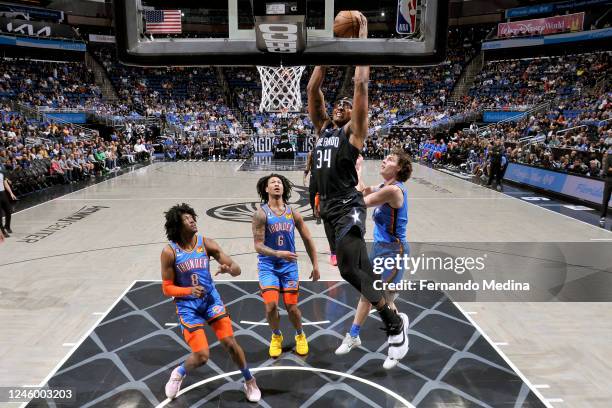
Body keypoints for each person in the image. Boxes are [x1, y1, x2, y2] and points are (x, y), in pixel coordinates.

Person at [306, 13, 409, 367]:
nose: (341, 105)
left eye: (346, 106)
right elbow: (312, 90)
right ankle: (393, 321)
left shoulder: (354, 135)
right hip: (328, 211)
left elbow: (361, 85)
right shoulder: (322, 129)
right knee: (355, 270)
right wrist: (327, 50)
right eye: (339, 104)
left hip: (348, 204)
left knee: (351, 267)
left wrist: (359, 45)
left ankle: (392, 323)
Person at [161, 203, 261, 402]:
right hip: (187, 306)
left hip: (210, 300)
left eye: (193, 217)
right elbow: (167, 288)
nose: (192, 220)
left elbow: (237, 269)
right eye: (187, 219)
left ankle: (250, 381)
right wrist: (189, 290)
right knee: (202, 356)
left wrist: (228, 269)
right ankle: (179, 372)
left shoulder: (206, 243)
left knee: (230, 343)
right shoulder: (169, 252)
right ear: (177, 226)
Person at [335, 150, 412, 369]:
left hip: (393, 251)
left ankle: (396, 343)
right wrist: (358, 169)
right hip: (379, 249)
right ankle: (354, 336)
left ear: (398, 168)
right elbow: (362, 191)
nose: (384, 160)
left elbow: (361, 201)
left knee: (382, 299)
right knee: (369, 294)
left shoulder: (394, 191)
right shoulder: (384, 187)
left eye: (390, 159)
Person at [252, 174, 320, 357]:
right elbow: (257, 245)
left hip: (289, 266)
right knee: (271, 306)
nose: (276, 184)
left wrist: (315, 265)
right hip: (268, 265)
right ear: (266, 189)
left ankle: (300, 335)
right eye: (272, 182)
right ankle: (276, 336)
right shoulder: (261, 214)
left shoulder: (293, 213)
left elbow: (307, 239)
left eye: (279, 182)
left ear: (283, 188)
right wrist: (276, 253)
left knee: (292, 308)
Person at [305, 151, 337, 265]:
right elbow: (308, 164)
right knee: (312, 195)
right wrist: (305, 175)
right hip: (314, 177)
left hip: (327, 179)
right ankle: (315, 212)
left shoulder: (329, 152)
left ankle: (334, 248)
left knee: (325, 202)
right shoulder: (311, 153)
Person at [0, 168, 16, 237]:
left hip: (3, 194)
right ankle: (2, 231)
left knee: (8, 211)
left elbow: (5, 183)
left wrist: (11, 193)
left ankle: (7, 226)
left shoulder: (1, 173)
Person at [600, 149, 612, 229]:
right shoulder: (609, 156)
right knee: (605, 199)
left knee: (605, 199)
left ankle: (602, 217)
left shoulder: (609, 156)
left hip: (609, 179)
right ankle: (602, 217)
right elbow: (606, 170)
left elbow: (608, 170)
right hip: (609, 181)